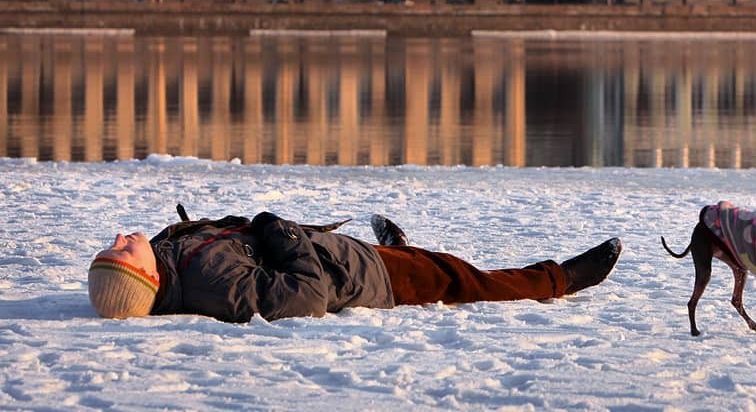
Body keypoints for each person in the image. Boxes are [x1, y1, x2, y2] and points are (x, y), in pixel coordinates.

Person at [87, 210, 622, 322]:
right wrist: (281, 230)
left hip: (344, 255)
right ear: (144, 277)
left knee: (421, 260)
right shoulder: (213, 287)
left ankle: (404, 245)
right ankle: (560, 279)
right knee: (466, 279)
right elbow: (305, 296)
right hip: (368, 278)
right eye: (120, 250)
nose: (119, 237)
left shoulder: (172, 257)